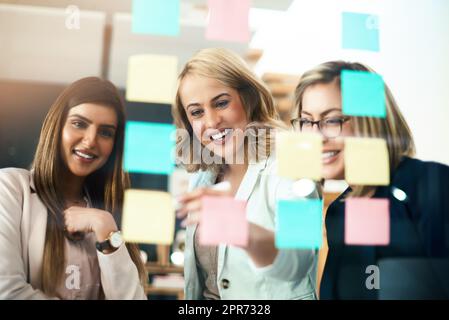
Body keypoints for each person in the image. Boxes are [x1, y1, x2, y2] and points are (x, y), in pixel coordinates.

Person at [292, 61, 449, 299]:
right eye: (306, 122)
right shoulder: (339, 212)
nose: (315, 137)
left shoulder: (429, 184)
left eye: (332, 120)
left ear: (370, 120)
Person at [173, 48, 319, 300]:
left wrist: (243, 229)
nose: (212, 121)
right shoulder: (204, 177)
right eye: (197, 112)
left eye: (221, 103)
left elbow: (300, 260)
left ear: (248, 99)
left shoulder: (292, 158)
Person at [0, 77, 147, 299]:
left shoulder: (108, 211)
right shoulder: (10, 187)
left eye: (105, 132)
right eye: (79, 124)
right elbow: (7, 292)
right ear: (57, 127)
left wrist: (105, 225)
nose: (90, 141)